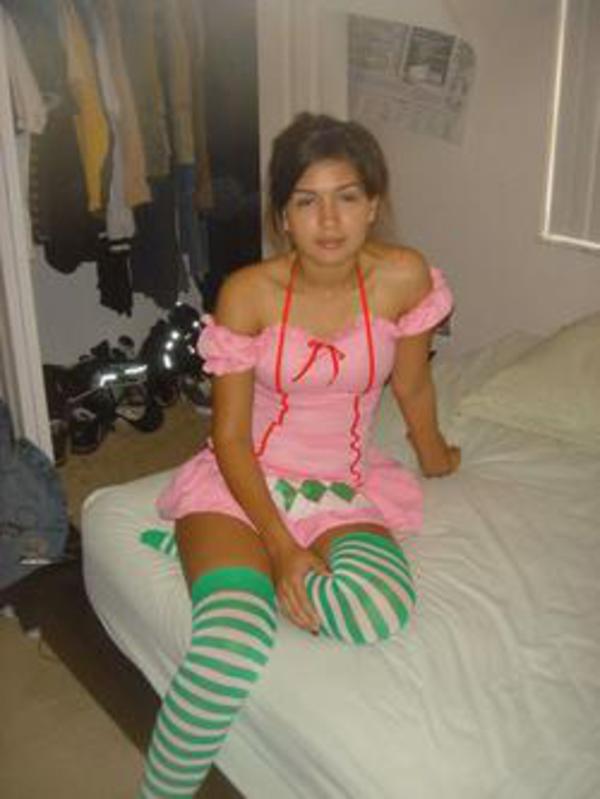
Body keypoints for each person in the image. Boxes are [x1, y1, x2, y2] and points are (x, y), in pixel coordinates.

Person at [138, 112, 460, 798]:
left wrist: (436, 455)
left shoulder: (404, 276)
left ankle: (248, 569)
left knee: (375, 609)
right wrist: (282, 548)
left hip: (338, 486)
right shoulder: (247, 293)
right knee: (229, 646)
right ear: (283, 216)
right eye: (307, 201)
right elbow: (229, 438)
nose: (330, 220)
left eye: (347, 196)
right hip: (241, 483)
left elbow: (412, 383)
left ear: (373, 203)